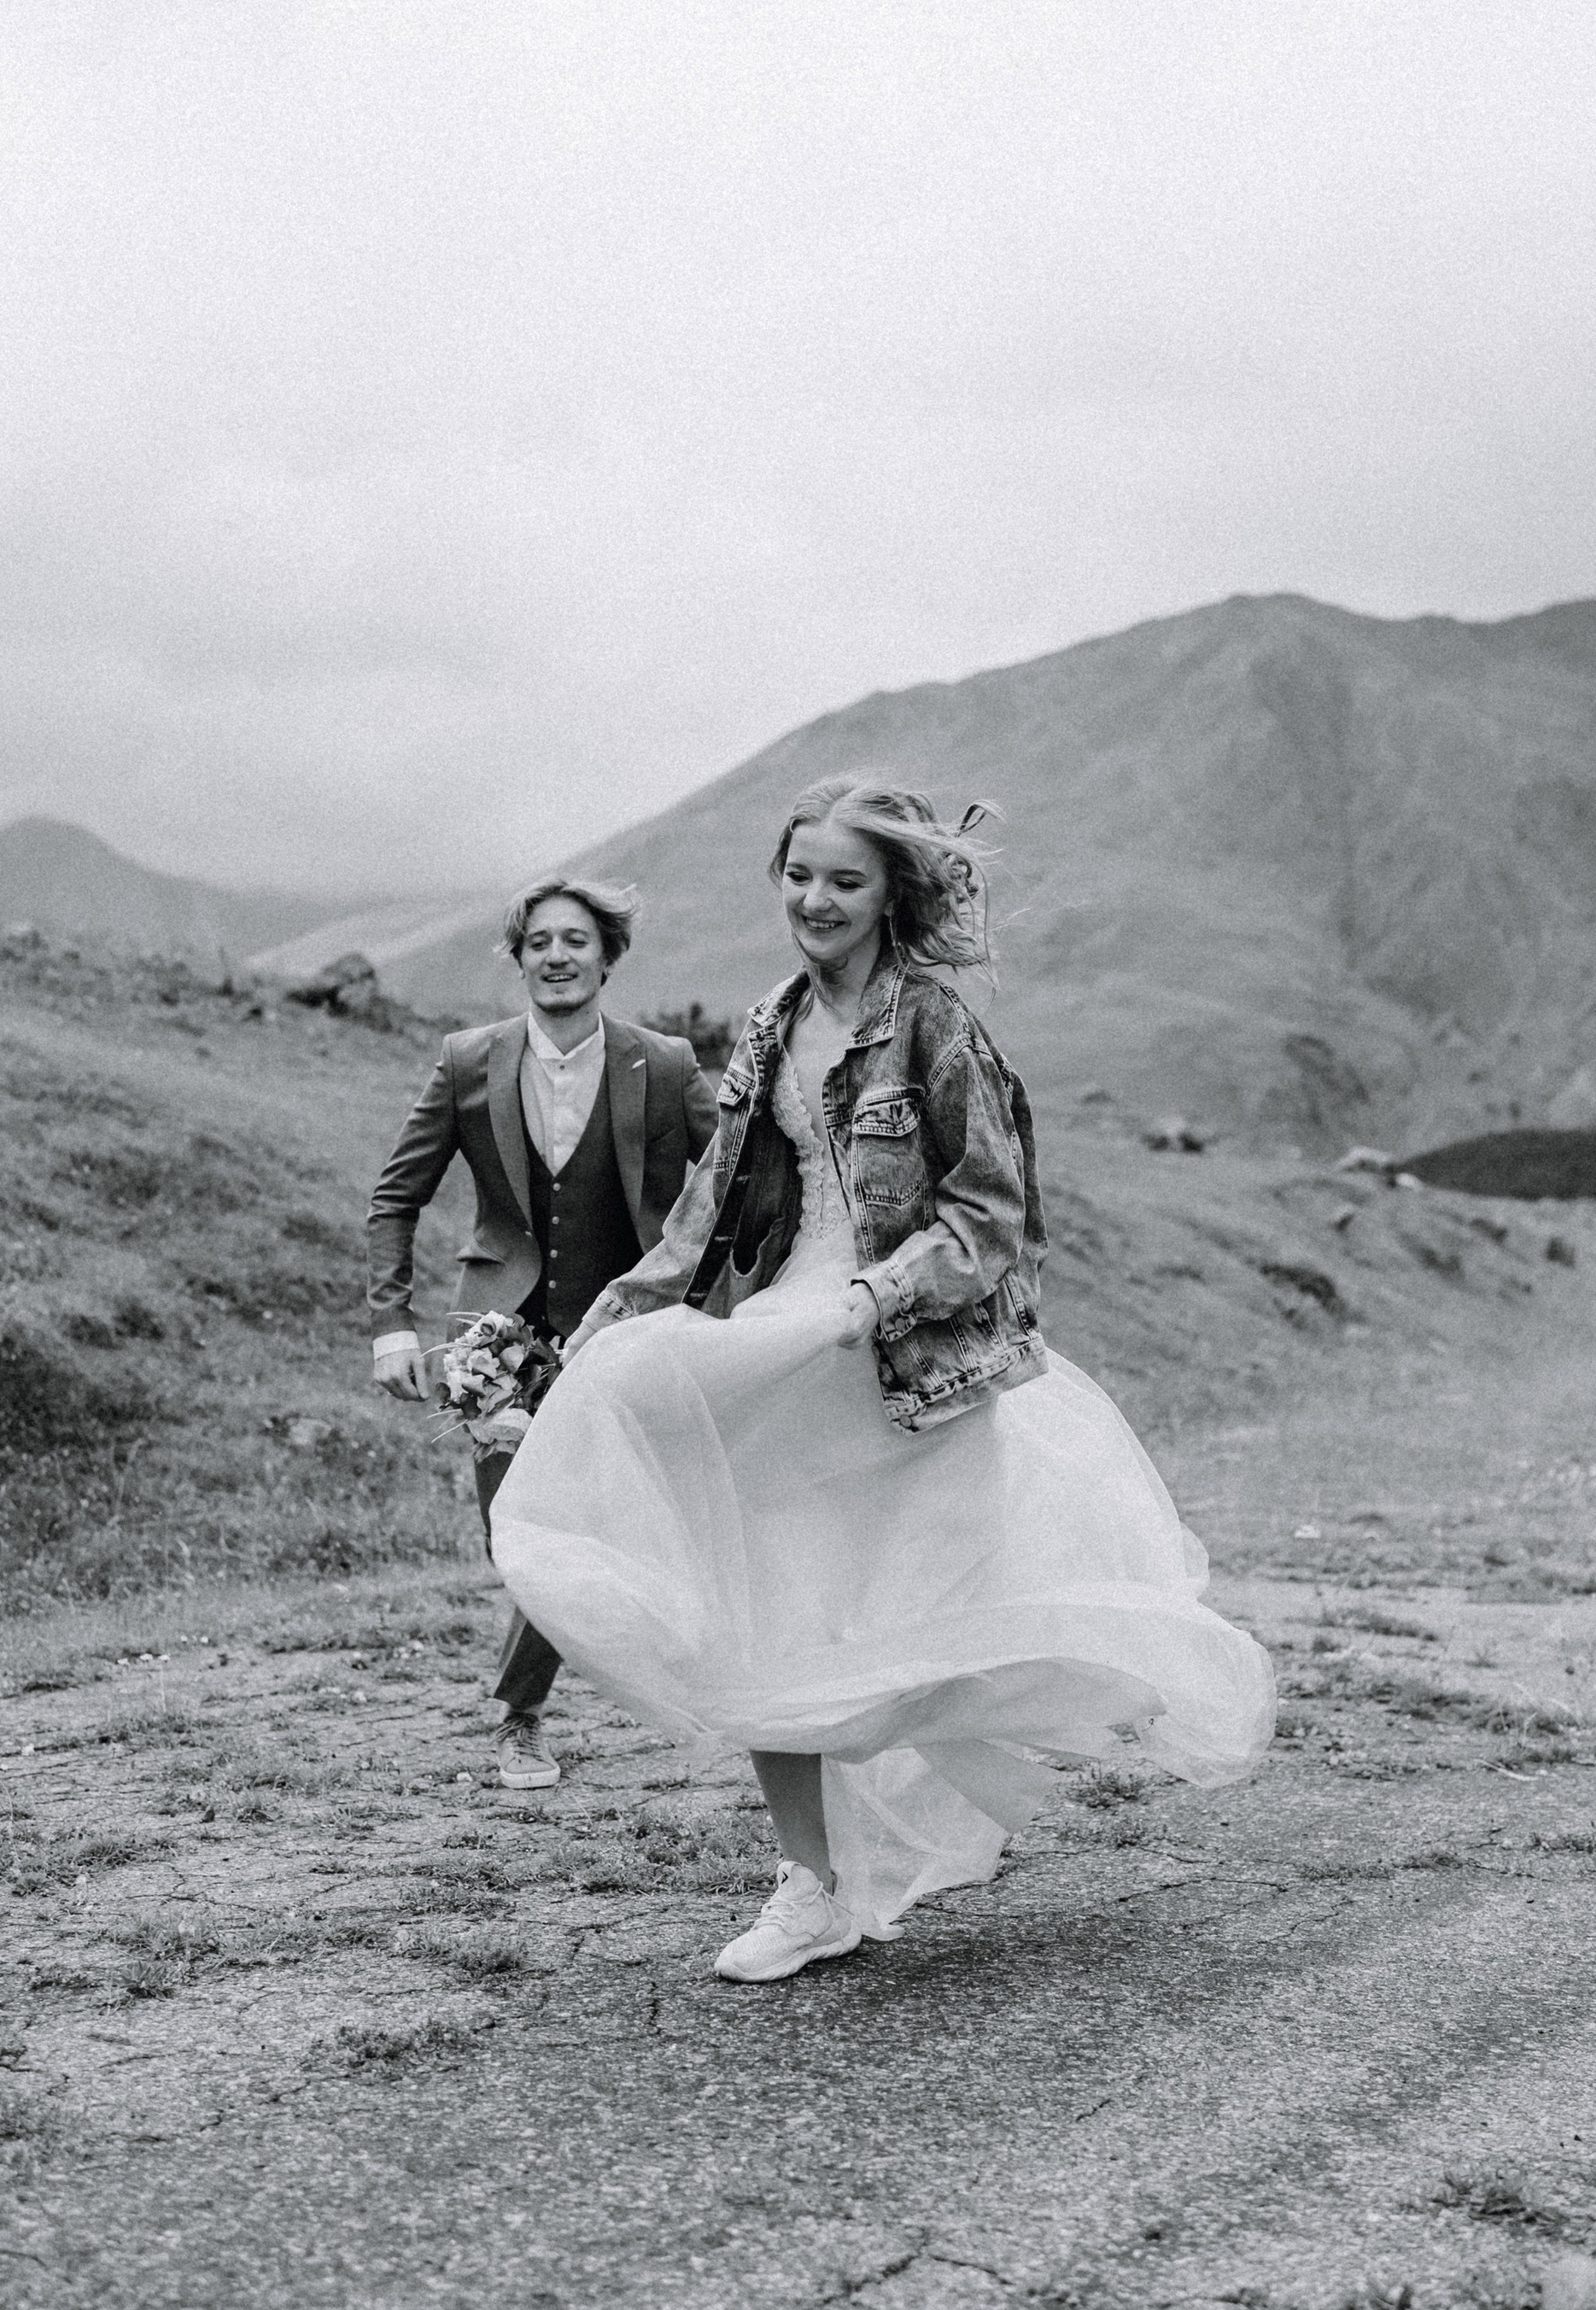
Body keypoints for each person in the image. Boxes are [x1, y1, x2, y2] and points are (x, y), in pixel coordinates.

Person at [485, 779, 1274, 1980]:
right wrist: (626, 1307)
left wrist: (880, 1293)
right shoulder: (767, 1023)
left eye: (844, 880)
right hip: (790, 1332)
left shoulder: (935, 1027)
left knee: (932, 1613)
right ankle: (810, 1888)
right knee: (764, 1601)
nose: (815, 899)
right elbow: (707, 1206)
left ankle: (1062, 1698)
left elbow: (989, 1215)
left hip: (901, 1347)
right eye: (799, 875)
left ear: (890, 894)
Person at [365, 874, 720, 1787]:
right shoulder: (466, 1061)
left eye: (576, 941)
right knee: (515, 1539)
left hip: (623, 1333)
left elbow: (730, 1180)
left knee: (589, 1526)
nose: (558, 957)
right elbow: (395, 1198)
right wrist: (392, 1326)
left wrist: (727, 1302)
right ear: (518, 957)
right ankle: (553, 1679)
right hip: (497, 1338)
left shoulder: (665, 1064)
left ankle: (515, 1718)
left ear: (607, 956)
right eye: (540, 943)